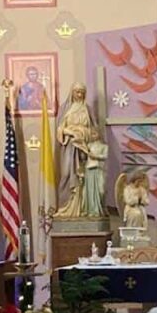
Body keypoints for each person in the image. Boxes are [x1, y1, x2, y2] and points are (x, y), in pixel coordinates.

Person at [54, 83, 100, 218]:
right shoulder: (65, 109)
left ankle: (83, 209)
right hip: (69, 147)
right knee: (66, 174)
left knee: (84, 178)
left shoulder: (88, 109)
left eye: (81, 92)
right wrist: (70, 132)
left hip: (84, 150)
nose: (79, 95)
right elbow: (59, 129)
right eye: (77, 92)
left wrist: (82, 133)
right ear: (72, 92)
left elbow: (96, 132)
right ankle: (65, 208)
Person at [82, 140, 110, 218]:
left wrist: (95, 156)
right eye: (92, 133)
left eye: (95, 132)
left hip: (99, 169)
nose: (93, 135)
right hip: (89, 168)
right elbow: (84, 157)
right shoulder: (89, 145)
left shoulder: (104, 146)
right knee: (90, 190)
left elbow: (105, 156)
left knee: (101, 190)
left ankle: (99, 208)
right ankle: (91, 210)